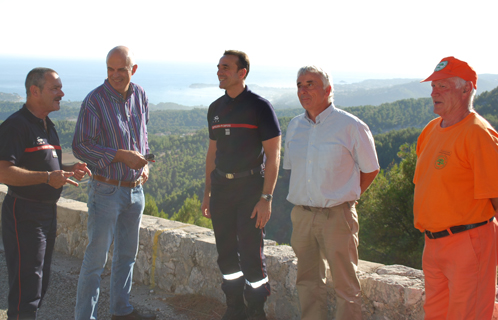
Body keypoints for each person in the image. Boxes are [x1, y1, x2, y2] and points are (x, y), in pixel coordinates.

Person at [283, 66, 379, 320]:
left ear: (328, 90)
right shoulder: (294, 126)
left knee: (345, 286)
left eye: (310, 84)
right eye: (300, 85)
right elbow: (292, 169)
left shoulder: (351, 126)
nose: (303, 90)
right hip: (302, 216)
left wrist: (346, 196)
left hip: (337, 217)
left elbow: (371, 169)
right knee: (307, 282)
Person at [0, 67, 91, 320]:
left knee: (40, 281)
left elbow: (43, 165)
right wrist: (48, 178)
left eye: (60, 88)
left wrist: (67, 169)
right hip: (24, 212)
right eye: (55, 88)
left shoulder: (47, 125)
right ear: (34, 91)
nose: (61, 93)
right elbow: (3, 172)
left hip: (45, 213)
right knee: (26, 286)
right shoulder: (16, 126)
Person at [72, 46, 156, 320]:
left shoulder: (140, 94)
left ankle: (121, 311)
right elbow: (81, 146)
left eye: (121, 69)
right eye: (110, 69)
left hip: (136, 190)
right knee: (96, 262)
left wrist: (144, 166)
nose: (115, 75)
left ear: (133, 69)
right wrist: (120, 155)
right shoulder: (94, 101)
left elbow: (142, 135)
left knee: (126, 257)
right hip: (106, 190)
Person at [413, 56, 498, 320]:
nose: (433, 93)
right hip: (433, 243)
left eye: (443, 86)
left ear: (466, 90)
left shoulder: (478, 133)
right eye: (433, 86)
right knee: (435, 314)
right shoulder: (430, 130)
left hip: (468, 243)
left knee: (468, 315)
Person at [201, 50, 281, 320]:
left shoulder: (260, 107)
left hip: (250, 189)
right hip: (221, 189)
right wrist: (207, 194)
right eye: (218, 67)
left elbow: (274, 156)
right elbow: (212, 155)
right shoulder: (215, 108)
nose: (219, 72)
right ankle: (234, 309)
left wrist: (266, 198)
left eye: (225, 67)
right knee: (225, 253)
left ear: (241, 72)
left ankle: (256, 311)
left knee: (250, 254)